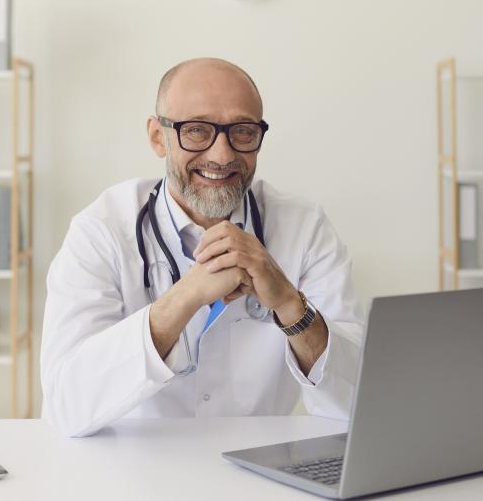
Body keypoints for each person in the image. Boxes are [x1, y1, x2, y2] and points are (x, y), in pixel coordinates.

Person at [41, 57, 364, 437]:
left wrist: (290, 304)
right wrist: (185, 298)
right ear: (157, 137)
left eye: (242, 132)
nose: (222, 154)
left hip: (259, 467)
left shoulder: (304, 228)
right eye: (196, 130)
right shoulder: (102, 231)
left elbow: (353, 400)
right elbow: (66, 405)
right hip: (132, 471)